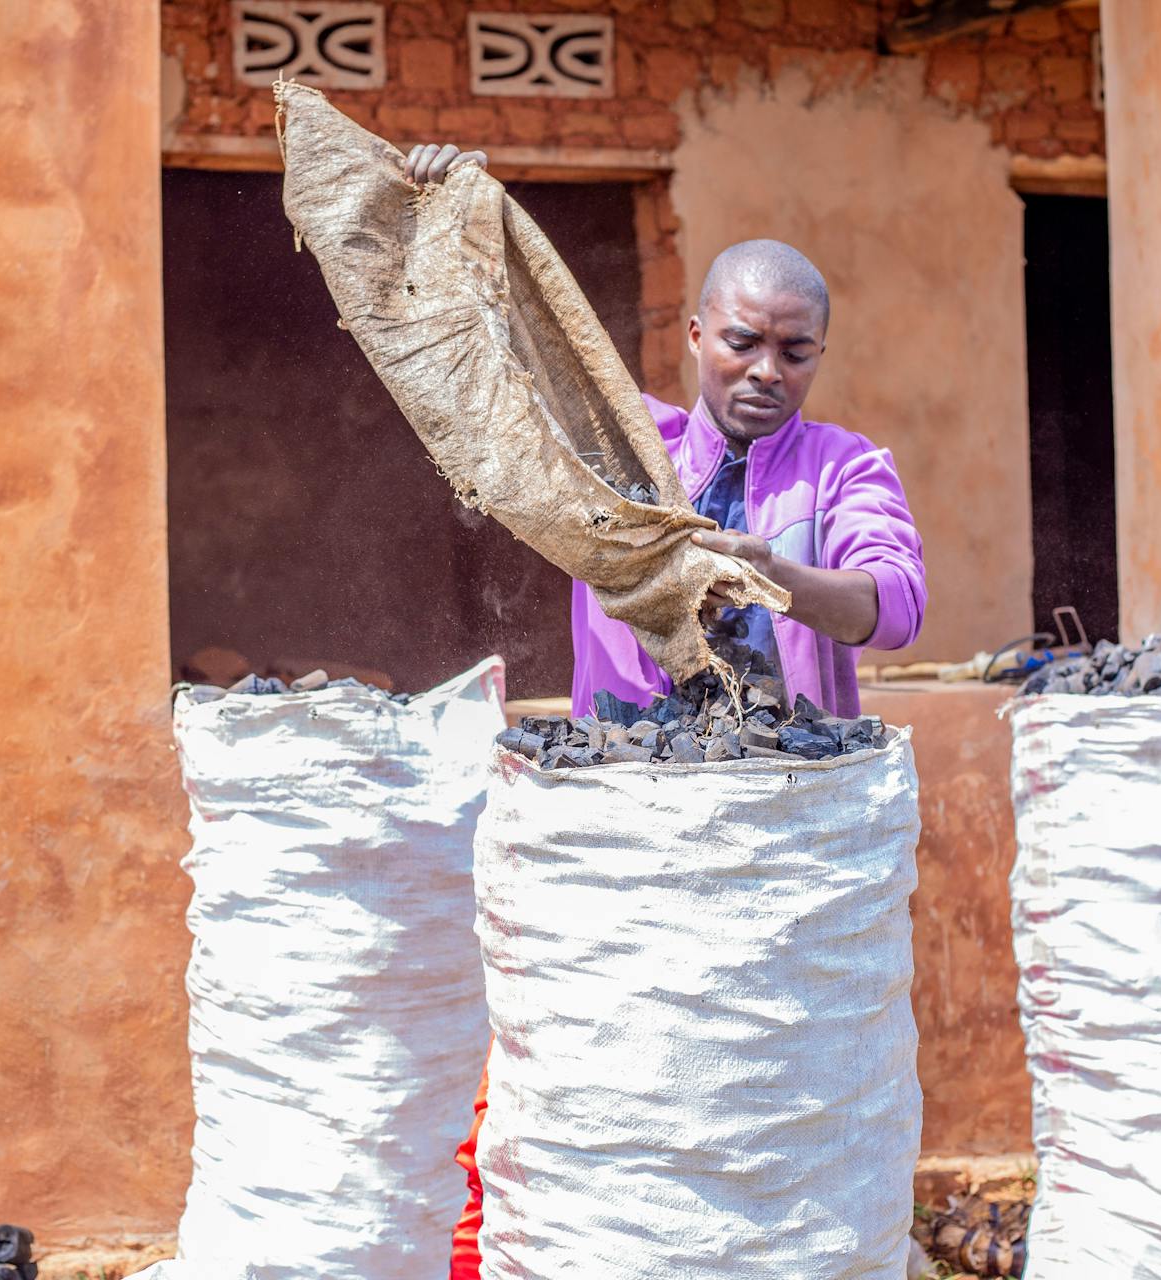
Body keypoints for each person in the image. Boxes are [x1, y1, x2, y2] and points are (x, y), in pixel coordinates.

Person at [404, 146, 928, 1280]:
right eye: (742, 340)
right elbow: (508, 365)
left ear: (819, 357)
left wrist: (767, 570)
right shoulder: (625, 452)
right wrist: (465, 209)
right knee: (560, 1119)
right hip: (618, 852)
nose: (764, 370)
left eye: (795, 351)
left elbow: (892, 607)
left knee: (754, 1119)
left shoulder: (843, 473)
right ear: (696, 334)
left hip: (769, 855)